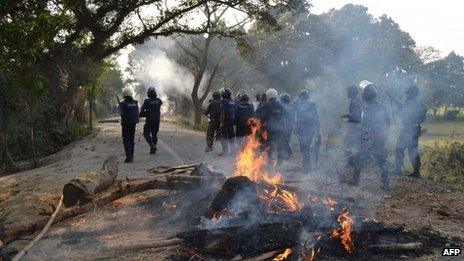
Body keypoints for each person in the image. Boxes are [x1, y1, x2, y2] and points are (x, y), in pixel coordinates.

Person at [351, 82, 390, 190]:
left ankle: (355, 180)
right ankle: (385, 183)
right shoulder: (381, 106)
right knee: (381, 159)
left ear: (367, 95)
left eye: (364, 93)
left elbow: (364, 122)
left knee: (361, 157)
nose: (362, 95)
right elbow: (388, 121)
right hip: (380, 134)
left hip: (368, 134)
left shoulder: (367, 107)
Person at [394, 85, 427, 177]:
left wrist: (399, 108)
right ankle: (406, 169)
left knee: (403, 148)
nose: (407, 96)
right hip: (412, 128)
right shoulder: (419, 104)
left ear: (414, 94)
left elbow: (405, 114)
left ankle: (401, 169)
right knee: (410, 149)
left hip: (410, 129)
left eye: (409, 94)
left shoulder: (413, 104)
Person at [294, 89, 320, 173]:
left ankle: (306, 168)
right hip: (309, 130)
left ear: (300, 97)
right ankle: (306, 166)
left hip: (304, 130)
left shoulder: (298, 105)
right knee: (306, 148)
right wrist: (318, 131)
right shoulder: (312, 105)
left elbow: (291, 108)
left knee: (304, 148)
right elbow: (317, 118)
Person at [257, 88, 286, 164]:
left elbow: (261, 117)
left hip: (269, 129)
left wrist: (262, 128)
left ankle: (270, 159)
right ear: (276, 95)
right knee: (279, 143)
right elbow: (284, 116)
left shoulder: (266, 105)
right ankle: (280, 160)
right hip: (280, 128)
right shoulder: (281, 105)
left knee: (269, 144)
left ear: (268, 96)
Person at [341, 85, 362, 167]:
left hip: (355, 127)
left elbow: (356, 115)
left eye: (348, 91)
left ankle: (351, 163)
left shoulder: (354, 102)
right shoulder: (357, 101)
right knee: (357, 146)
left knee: (347, 145)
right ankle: (357, 162)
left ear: (352, 92)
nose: (347, 93)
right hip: (357, 127)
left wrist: (346, 116)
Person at [118, 87, 139, 163]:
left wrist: (120, 107)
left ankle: (128, 156)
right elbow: (137, 113)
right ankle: (131, 155)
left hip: (126, 123)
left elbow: (120, 113)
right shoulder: (135, 102)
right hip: (133, 123)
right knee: (131, 139)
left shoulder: (123, 103)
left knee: (126, 139)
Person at [139, 87, 162, 154]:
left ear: (148, 93)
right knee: (154, 134)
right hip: (157, 119)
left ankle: (152, 146)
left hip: (149, 120)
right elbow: (156, 108)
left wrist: (140, 115)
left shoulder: (147, 101)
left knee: (146, 134)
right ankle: (153, 148)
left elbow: (142, 110)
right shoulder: (159, 100)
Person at [220, 88, 236, 156]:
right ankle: (232, 152)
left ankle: (225, 152)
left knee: (223, 136)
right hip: (232, 121)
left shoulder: (223, 102)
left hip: (226, 121)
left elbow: (223, 113)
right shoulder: (232, 102)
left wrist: (221, 123)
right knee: (231, 136)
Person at [280, 93, 293, 159]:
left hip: (285, 127)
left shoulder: (283, 107)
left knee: (284, 141)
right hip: (289, 127)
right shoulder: (290, 106)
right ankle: (287, 154)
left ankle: (289, 154)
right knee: (285, 141)